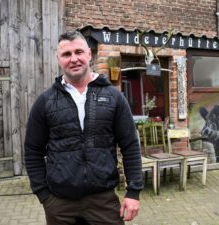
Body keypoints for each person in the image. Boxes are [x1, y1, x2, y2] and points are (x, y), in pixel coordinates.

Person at [24, 30, 143, 225]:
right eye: (66, 54)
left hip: (103, 201)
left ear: (89, 54)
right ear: (58, 59)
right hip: (60, 204)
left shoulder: (113, 97)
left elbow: (130, 145)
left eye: (78, 52)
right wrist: (44, 195)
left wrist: (133, 192)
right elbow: (32, 151)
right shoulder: (45, 102)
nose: (74, 59)